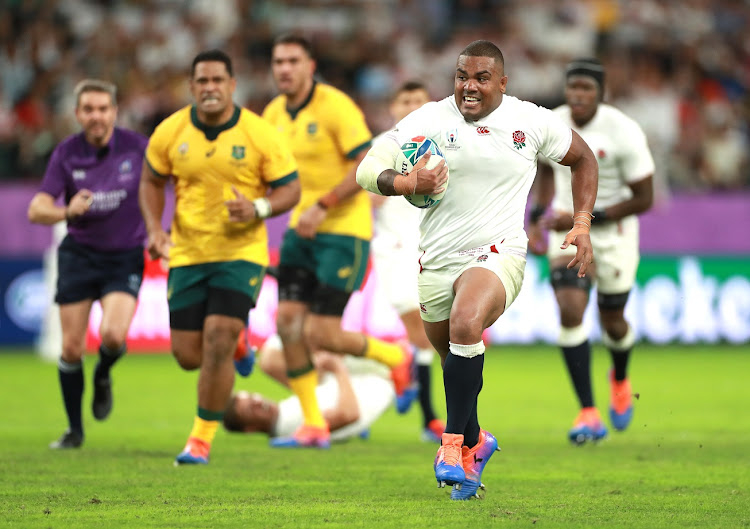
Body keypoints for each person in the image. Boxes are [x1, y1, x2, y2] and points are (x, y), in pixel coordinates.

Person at [356, 40, 599, 500]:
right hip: (436, 259)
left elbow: (582, 158)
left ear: (502, 83)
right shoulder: (428, 118)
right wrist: (408, 182)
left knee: (467, 324)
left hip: (499, 252)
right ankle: (474, 443)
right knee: (453, 359)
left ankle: (449, 448)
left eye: (481, 78)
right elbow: (367, 170)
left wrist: (582, 223)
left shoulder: (530, 120)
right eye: (462, 76)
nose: (469, 86)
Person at [138, 49, 300, 465]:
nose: (210, 88)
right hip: (188, 253)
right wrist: (155, 229)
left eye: (217, 81)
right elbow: (151, 181)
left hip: (240, 253)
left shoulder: (259, 133)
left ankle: (200, 439)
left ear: (232, 85)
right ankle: (241, 346)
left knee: (217, 339)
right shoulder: (170, 132)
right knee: (189, 356)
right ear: (191, 87)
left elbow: (290, 189)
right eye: (202, 81)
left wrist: (259, 208)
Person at [261, 34, 415, 449]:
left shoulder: (336, 107)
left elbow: (366, 163)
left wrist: (323, 205)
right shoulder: (273, 113)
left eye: (293, 60)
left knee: (324, 335)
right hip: (299, 233)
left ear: (310, 66)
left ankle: (394, 357)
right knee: (288, 324)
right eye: (278, 61)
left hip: (342, 231)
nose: (285, 69)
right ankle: (313, 423)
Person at [527, 58, 655, 445]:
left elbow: (645, 198)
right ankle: (588, 411)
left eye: (586, 89)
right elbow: (547, 173)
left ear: (601, 93)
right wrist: (537, 214)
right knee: (569, 311)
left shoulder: (624, 131)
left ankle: (618, 376)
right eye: (573, 88)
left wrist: (587, 216)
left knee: (613, 321)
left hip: (613, 231)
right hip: (566, 231)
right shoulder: (552, 122)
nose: (578, 96)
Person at [27, 79, 148, 449]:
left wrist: (160, 230)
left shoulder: (138, 147)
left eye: (103, 108)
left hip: (124, 255)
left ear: (114, 111)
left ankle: (104, 374)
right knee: (71, 349)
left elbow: (167, 183)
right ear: (78, 113)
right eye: (89, 109)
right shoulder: (66, 153)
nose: (96, 116)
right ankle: (74, 430)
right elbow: (36, 209)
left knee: (113, 336)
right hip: (79, 255)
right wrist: (66, 210)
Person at [369, 81, 445, 442]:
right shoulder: (383, 145)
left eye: (419, 100)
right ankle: (429, 413)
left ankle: (411, 380)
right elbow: (368, 193)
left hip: (435, 246)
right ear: (393, 108)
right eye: (405, 101)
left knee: (431, 332)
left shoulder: (444, 143)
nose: (412, 105)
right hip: (395, 248)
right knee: (421, 329)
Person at [223, 335, 394, 442]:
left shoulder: (284, 416)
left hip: (358, 380)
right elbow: (348, 414)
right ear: (250, 429)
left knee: (270, 360)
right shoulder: (290, 423)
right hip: (377, 379)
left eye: (253, 397)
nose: (259, 402)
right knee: (320, 337)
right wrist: (337, 369)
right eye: (251, 408)